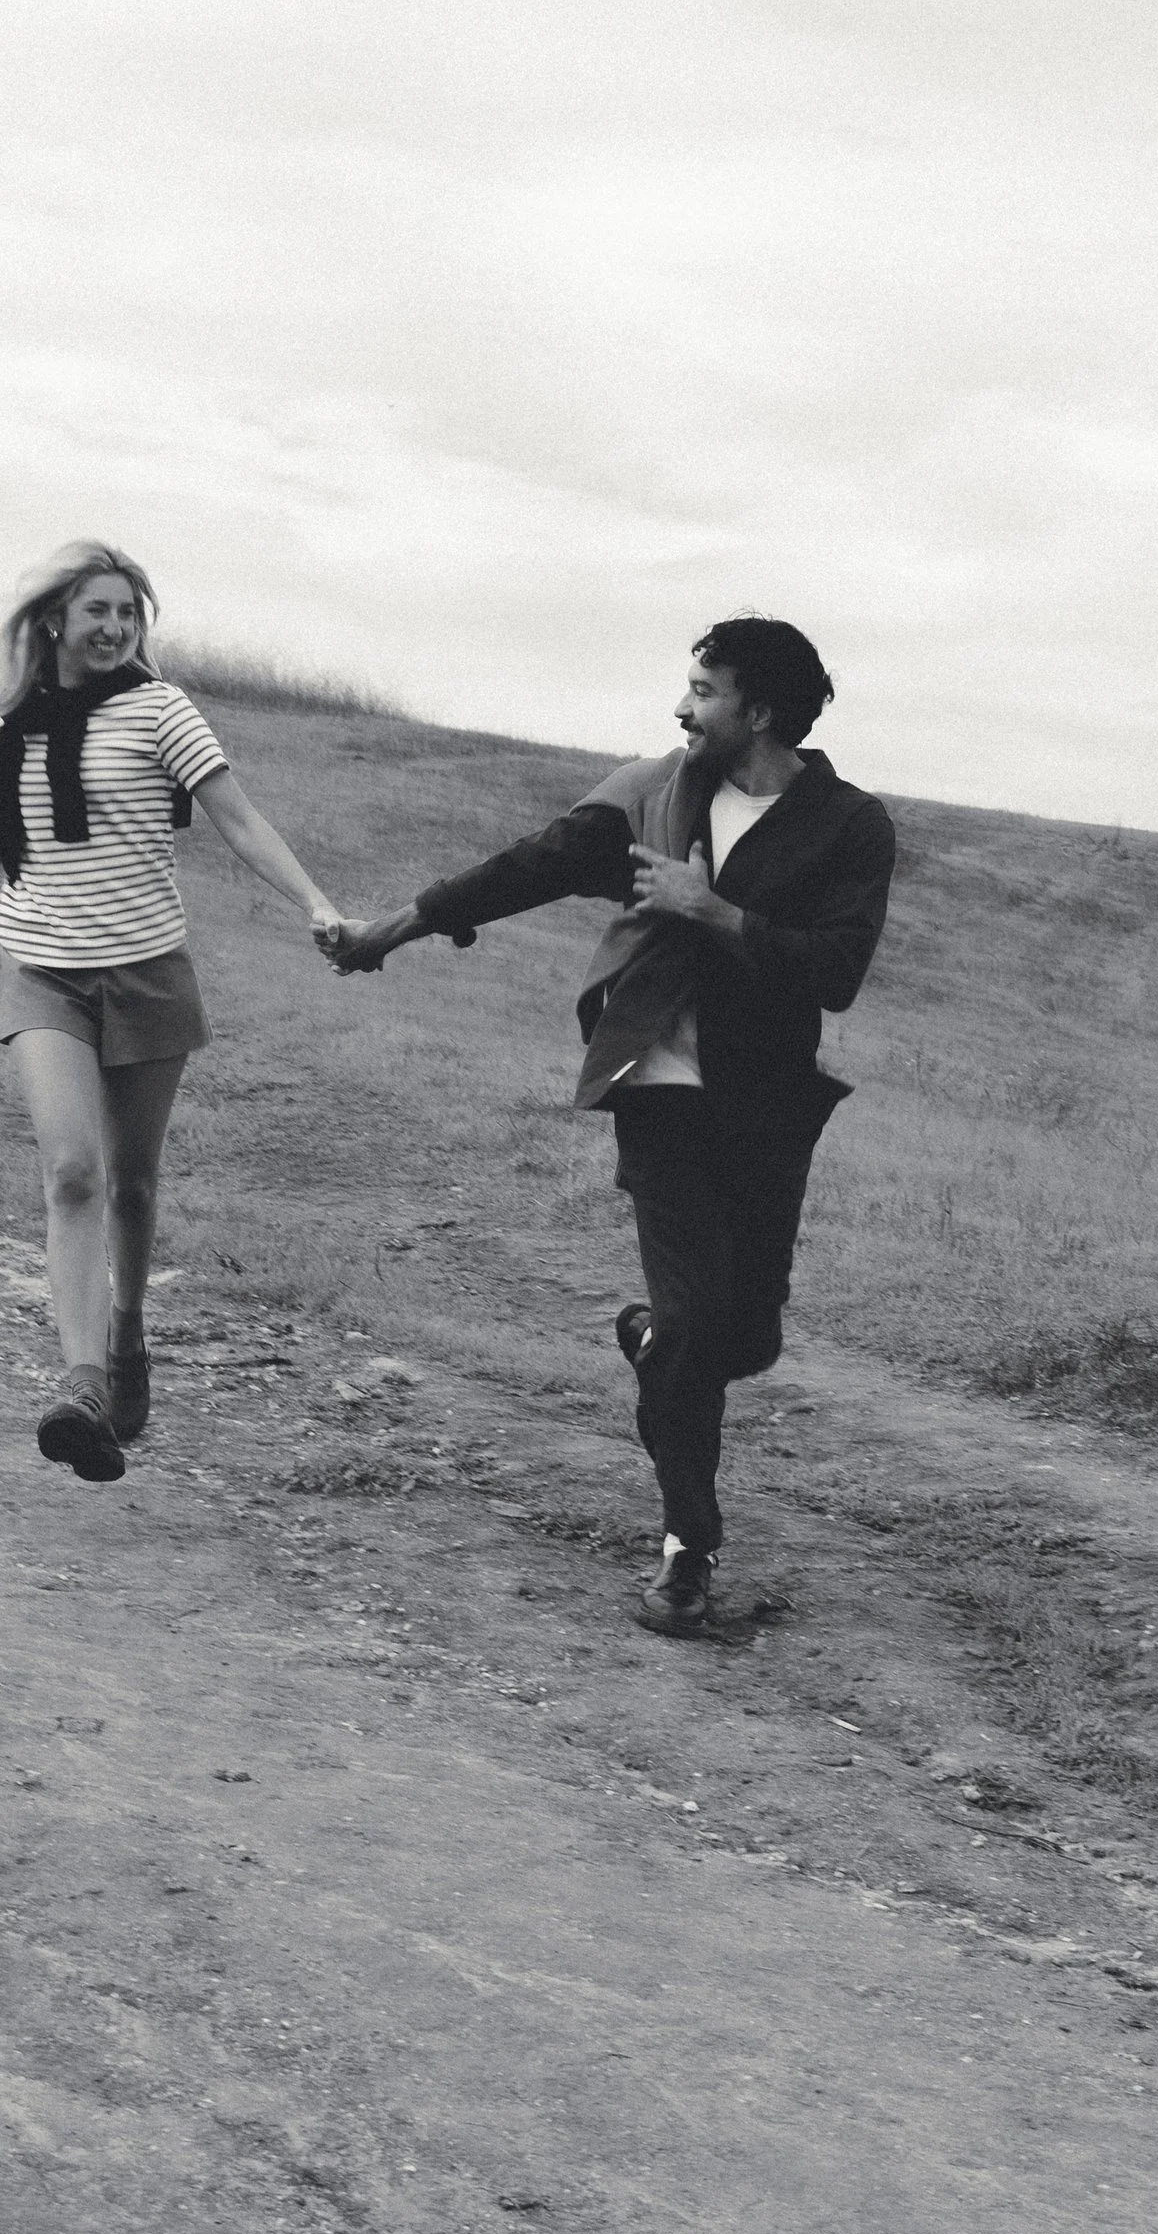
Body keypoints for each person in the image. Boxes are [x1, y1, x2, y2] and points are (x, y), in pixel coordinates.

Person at [334, 617, 895, 1635]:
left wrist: (709, 909)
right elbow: (528, 866)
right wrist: (393, 930)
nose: (682, 709)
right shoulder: (653, 794)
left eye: (705, 692)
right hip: (658, 1084)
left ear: (762, 711)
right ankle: (689, 1550)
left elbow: (836, 971)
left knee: (743, 1338)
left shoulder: (849, 825)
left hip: (767, 1104)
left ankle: (653, 1345)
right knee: (697, 1322)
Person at [0, 542, 344, 1483]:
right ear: (54, 620)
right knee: (73, 1171)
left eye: (128, 613)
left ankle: (126, 1333)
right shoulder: (5, 718)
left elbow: (238, 818)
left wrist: (314, 901)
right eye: (98, 611)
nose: (115, 628)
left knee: (134, 1187)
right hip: (42, 970)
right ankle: (82, 1388)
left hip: (146, 972)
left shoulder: (161, 712)